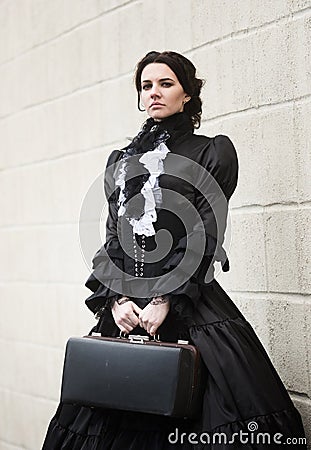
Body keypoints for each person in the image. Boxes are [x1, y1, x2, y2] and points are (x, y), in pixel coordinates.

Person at [42, 51, 307, 449]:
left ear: (187, 95)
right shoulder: (121, 162)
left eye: (165, 84)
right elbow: (115, 238)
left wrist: (166, 298)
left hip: (189, 299)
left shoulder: (211, 152)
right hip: (127, 307)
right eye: (146, 86)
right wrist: (115, 298)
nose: (154, 93)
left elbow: (203, 233)